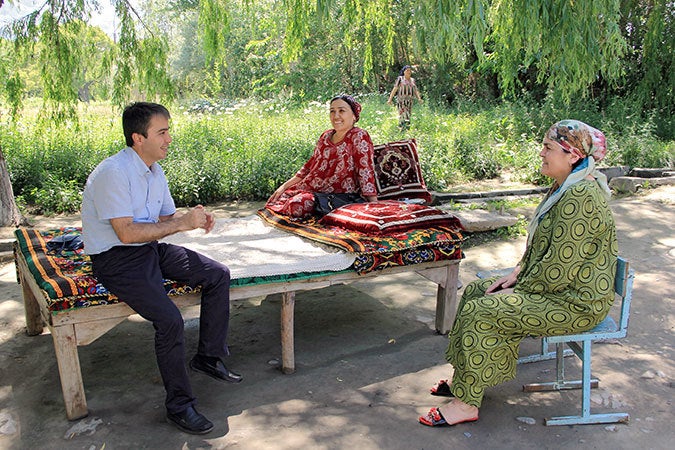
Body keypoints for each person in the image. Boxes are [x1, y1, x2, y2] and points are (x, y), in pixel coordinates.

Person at [419, 120, 617, 427]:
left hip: (576, 304)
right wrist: (518, 273)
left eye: (548, 148)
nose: (542, 153)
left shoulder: (580, 198)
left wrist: (521, 289)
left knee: (485, 310)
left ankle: (466, 404)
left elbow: (559, 270)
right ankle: (467, 382)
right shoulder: (566, 187)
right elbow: (545, 249)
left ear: (573, 155)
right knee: (476, 291)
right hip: (557, 290)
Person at [81, 102, 241, 435]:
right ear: (138, 138)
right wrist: (181, 224)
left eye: (169, 130)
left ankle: (208, 357)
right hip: (116, 259)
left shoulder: (155, 170)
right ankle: (180, 406)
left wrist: (193, 217)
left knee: (217, 274)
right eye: (162, 132)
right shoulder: (114, 172)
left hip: (148, 250)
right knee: (169, 319)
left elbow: (165, 219)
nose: (169, 138)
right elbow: (126, 232)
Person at [265, 95, 378, 217]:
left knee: (297, 205)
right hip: (312, 190)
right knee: (279, 199)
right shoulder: (325, 136)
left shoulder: (359, 136)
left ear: (354, 116)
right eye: (332, 111)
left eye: (342, 111)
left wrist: (374, 205)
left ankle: (323, 210)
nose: (336, 116)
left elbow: (365, 171)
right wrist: (283, 187)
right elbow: (308, 167)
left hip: (342, 196)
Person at [387, 65, 423, 130]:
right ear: (404, 71)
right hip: (401, 100)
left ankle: (407, 128)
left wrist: (419, 98)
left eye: (410, 70)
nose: (409, 72)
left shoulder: (412, 80)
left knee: (408, 115)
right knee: (403, 114)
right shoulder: (400, 79)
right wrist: (390, 99)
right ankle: (402, 128)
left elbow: (415, 90)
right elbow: (395, 88)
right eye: (407, 70)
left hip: (410, 101)